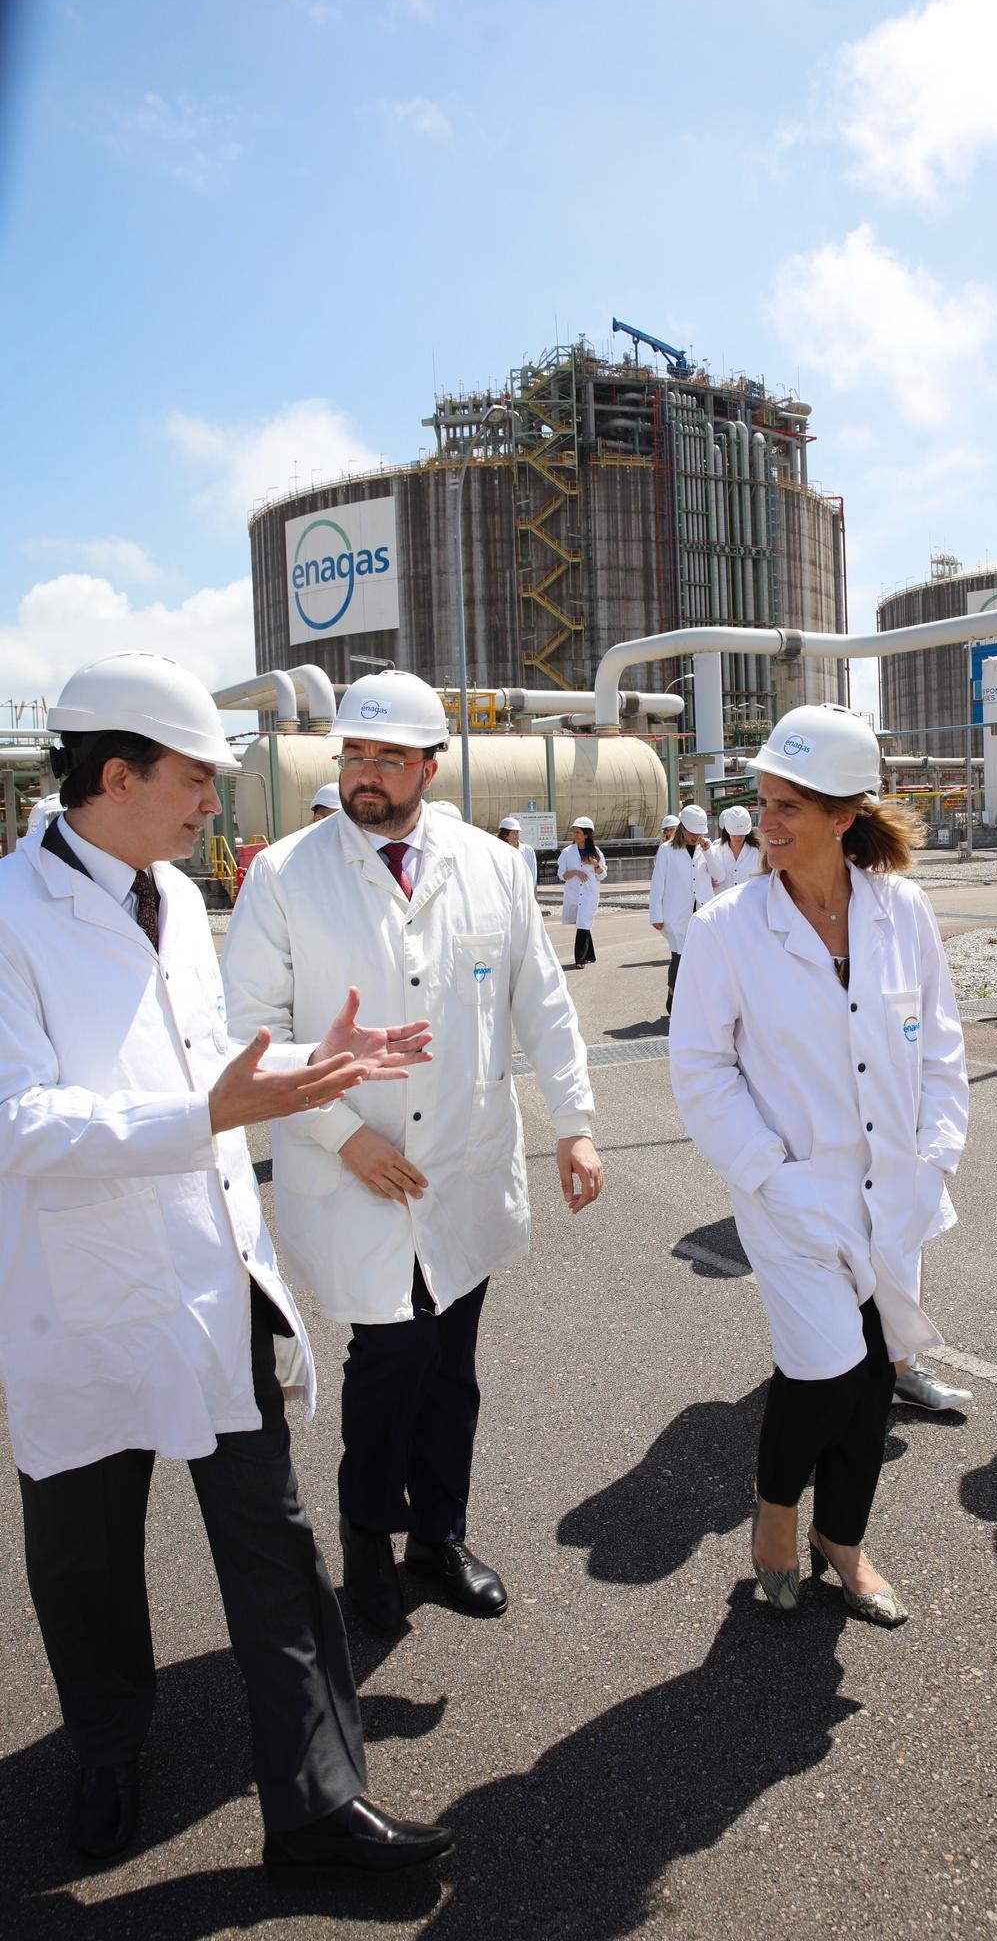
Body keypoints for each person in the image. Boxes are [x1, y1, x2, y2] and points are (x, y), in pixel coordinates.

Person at [0, 652, 451, 1875]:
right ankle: (104, 1749)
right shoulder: (7, 918)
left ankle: (316, 1805)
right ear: (114, 773)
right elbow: (18, 1121)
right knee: (87, 1559)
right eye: (196, 780)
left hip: (212, 1283)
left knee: (276, 1546)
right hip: (84, 1297)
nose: (214, 805)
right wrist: (207, 1112)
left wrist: (313, 1062)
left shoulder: (175, 902)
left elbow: (208, 1058)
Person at [223, 671, 602, 1636]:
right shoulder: (284, 875)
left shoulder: (492, 865)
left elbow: (541, 1004)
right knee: (388, 1359)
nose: (365, 775)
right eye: (352, 755)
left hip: (462, 1165)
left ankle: (438, 1537)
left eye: (388, 758)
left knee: (452, 1365)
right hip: (352, 1165)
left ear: (431, 764)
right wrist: (340, 1134)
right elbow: (250, 1031)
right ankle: (364, 1543)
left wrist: (576, 1121)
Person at [670, 705, 968, 1626]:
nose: (767, 820)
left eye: (789, 805)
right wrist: (767, 1171)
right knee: (823, 1372)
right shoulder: (726, 927)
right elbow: (699, 1068)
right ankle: (772, 1518)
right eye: (762, 801)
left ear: (843, 816)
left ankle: (842, 1541)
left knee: (876, 1373)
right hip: (791, 1194)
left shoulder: (900, 909)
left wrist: (940, 1148)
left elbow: (940, 1044)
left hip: (892, 1187)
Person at [650, 803, 709, 1015]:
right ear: (682, 829)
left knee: (701, 960)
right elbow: (658, 883)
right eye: (693, 833)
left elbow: (718, 876)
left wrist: (709, 852)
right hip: (676, 914)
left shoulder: (707, 849)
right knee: (679, 958)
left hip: (702, 912)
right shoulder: (666, 851)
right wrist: (655, 914)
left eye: (699, 833)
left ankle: (695, 1004)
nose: (696, 837)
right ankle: (673, 998)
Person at [557, 815, 607, 967]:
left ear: (586, 834)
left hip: (590, 893)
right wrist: (576, 873)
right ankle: (590, 954)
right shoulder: (567, 852)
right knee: (582, 922)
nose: (575, 835)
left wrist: (595, 864)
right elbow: (561, 875)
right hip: (573, 893)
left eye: (578, 832)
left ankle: (580, 960)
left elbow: (603, 875)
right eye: (574, 832)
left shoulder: (596, 852)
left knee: (583, 923)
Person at [702, 806, 762, 897]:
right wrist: (707, 881)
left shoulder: (757, 853)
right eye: (734, 835)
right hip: (722, 907)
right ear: (727, 831)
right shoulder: (714, 851)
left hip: (748, 906)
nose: (738, 838)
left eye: (741, 835)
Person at [498, 814, 539, 897]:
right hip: (507, 891)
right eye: (513, 833)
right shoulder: (499, 851)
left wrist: (529, 890)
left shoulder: (528, 850)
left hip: (525, 891)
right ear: (505, 835)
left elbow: (532, 872)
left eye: (517, 832)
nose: (517, 835)